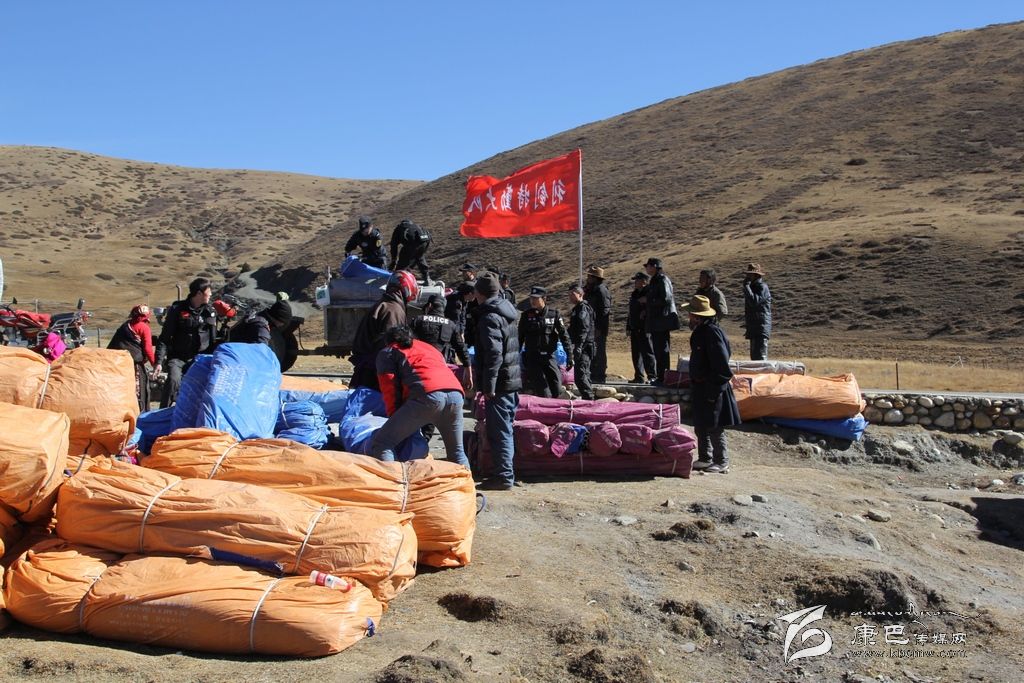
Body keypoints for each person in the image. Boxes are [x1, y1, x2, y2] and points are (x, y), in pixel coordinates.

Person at [371, 325, 469, 467]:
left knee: (382, 442)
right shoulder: (429, 348)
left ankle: (393, 479)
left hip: (427, 396)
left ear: (389, 341)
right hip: (456, 395)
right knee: (457, 452)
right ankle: (466, 482)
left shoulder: (389, 352)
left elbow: (389, 387)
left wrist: (394, 416)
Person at [471, 272, 523, 491]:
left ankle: (504, 476)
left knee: (499, 431)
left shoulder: (489, 317)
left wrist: (489, 384)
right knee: (506, 429)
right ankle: (505, 472)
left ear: (480, 293)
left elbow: (494, 353)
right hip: (510, 379)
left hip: (500, 383)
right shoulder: (506, 311)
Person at [682, 295, 741, 474]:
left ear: (697, 316)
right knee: (701, 423)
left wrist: (714, 388)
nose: (688, 317)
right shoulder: (701, 331)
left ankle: (721, 461)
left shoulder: (712, 332)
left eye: (690, 314)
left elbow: (722, 365)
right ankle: (705, 458)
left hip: (713, 385)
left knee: (715, 425)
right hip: (700, 385)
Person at [155, 277, 218, 408]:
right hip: (178, 357)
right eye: (208, 291)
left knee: (205, 386)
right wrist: (159, 362)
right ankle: (162, 412)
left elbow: (213, 340)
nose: (211, 294)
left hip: (201, 359)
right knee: (173, 380)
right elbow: (164, 338)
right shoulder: (177, 309)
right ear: (199, 293)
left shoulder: (210, 312)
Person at [350, 270, 418, 390]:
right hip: (374, 373)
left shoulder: (385, 305)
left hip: (368, 369)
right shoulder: (393, 309)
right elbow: (391, 347)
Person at [518, 286, 573, 399]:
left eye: (536, 298)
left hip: (549, 357)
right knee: (543, 391)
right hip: (533, 358)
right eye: (531, 298)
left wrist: (570, 355)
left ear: (544, 299)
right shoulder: (526, 316)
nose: (532, 301)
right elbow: (519, 338)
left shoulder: (554, 314)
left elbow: (564, 336)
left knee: (557, 388)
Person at [410, 294, 471, 383]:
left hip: (418, 369)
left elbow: (405, 343)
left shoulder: (418, 320)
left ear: (429, 306)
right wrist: (469, 372)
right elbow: (461, 348)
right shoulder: (451, 325)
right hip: (441, 369)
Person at [107, 304, 157, 411]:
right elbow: (148, 348)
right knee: (138, 391)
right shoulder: (144, 328)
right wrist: (154, 364)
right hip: (134, 365)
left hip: (118, 365)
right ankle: (139, 412)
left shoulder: (125, 326)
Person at [643, 258, 680, 384]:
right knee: (658, 350)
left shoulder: (662, 279)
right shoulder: (655, 280)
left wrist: (648, 301)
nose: (646, 269)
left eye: (648, 266)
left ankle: (663, 377)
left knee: (662, 350)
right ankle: (661, 377)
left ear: (654, 266)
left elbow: (666, 299)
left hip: (662, 320)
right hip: (657, 321)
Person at [229, 298, 294, 368]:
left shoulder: (258, 317)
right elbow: (261, 353)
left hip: (234, 355)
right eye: (283, 322)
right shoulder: (261, 327)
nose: (282, 325)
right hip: (236, 362)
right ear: (279, 319)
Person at [566, 284, 596, 400]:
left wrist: (579, 346)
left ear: (580, 294)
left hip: (584, 346)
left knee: (581, 375)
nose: (570, 297)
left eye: (573, 294)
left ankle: (589, 398)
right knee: (583, 374)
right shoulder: (577, 309)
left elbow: (584, 328)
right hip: (582, 345)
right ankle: (588, 398)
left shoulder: (583, 309)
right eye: (569, 295)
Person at [583, 265, 611, 383]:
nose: (587, 278)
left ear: (595, 278)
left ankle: (599, 375)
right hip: (590, 325)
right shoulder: (590, 290)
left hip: (598, 327)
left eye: (590, 276)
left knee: (599, 351)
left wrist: (599, 328)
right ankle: (592, 373)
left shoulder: (601, 290)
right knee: (592, 350)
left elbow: (605, 310)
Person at [627, 272, 656, 383]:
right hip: (635, 326)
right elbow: (631, 311)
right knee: (636, 353)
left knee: (647, 352)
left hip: (645, 327)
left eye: (637, 280)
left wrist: (646, 311)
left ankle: (652, 375)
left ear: (644, 281)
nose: (635, 282)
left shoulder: (649, 293)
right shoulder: (635, 294)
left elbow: (653, 308)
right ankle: (639, 376)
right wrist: (629, 326)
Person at [742, 263, 772, 360]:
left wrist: (747, 287)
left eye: (749, 274)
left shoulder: (762, 287)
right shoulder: (753, 287)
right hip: (755, 327)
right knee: (755, 359)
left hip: (760, 327)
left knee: (760, 359)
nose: (747, 277)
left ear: (756, 275)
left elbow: (754, 301)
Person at [389, 219, 431, 283]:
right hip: (426, 241)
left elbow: (393, 246)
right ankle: (427, 278)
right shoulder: (416, 226)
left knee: (401, 264)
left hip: (412, 244)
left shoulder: (399, 228)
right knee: (420, 257)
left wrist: (393, 260)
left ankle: (397, 282)